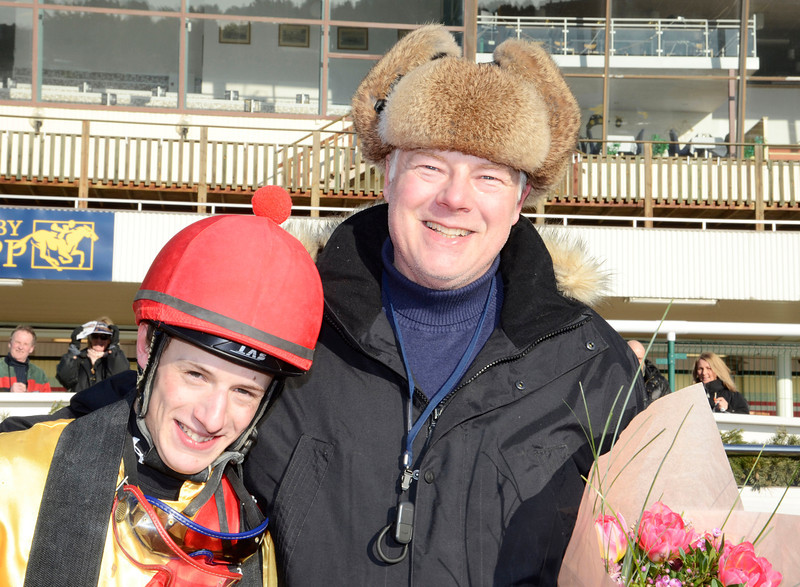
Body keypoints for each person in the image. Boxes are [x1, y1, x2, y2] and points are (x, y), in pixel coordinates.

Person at [246, 26, 645, 585]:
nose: (455, 198)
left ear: (519, 200)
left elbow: (650, 546)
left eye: (488, 176)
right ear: (388, 175)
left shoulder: (592, 365)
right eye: (430, 166)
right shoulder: (283, 324)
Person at [0, 187, 323, 586]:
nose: (212, 418)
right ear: (147, 345)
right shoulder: (12, 475)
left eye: (244, 391)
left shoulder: (251, 537)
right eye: (196, 375)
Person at [56, 318, 131, 393]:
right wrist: (73, 349)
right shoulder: (79, 358)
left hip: (106, 404)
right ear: (90, 338)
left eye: (104, 336)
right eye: (95, 336)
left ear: (110, 340)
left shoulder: (116, 358)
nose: (99, 340)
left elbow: (119, 379)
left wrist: (114, 349)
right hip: (81, 403)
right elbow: (65, 379)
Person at [1, 325, 51, 393]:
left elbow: (47, 401)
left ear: (31, 349)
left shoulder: (39, 375)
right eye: (17, 342)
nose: (21, 347)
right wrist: (8, 392)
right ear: (10, 344)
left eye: (25, 344)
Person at [628, 339, 671, 404]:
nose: (637, 362)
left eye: (639, 358)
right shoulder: (615, 380)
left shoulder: (660, 384)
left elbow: (669, 408)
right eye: (633, 358)